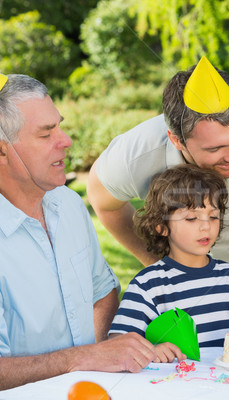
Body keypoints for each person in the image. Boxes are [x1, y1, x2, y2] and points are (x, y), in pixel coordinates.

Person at [87, 57, 229, 311]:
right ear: (177, 140)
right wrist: (157, 264)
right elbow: (102, 200)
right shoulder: (136, 156)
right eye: (215, 148)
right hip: (189, 283)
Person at [0, 73, 158, 390]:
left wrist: (95, 370)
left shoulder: (69, 203)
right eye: (46, 135)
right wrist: (83, 358)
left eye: (59, 125)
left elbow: (102, 293)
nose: (66, 140)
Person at [109, 164, 229, 359]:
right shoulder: (147, 285)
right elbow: (118, 347)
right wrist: (152, 352)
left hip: (228, 386)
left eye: (213, 216)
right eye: (192, 218)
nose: (205, 226)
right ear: (161, 227)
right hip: (173, 386)